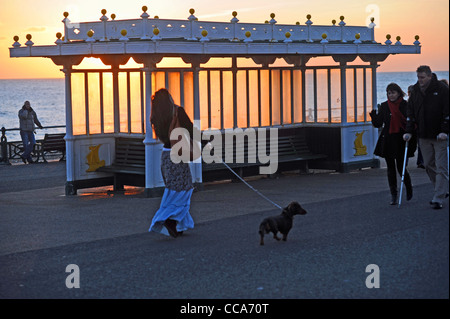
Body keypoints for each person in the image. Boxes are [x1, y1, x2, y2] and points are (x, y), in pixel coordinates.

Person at [148, 89, 196, 238]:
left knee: (173, 190)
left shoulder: (155, 117)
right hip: (177, 156)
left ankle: (179, 225)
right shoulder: (177, 111)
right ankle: (169, 219)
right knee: (185, 188)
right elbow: (191, 129)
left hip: (166, 156)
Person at [404, 66, 449, 210]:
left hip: (439, 135)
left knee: (441, 166)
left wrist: (444, 130)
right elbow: (410, 112)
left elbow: (447, 111)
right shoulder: (416, 91)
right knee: (428, 164)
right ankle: (442, 189)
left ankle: (438, 197)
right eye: (418, 77)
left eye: (422, 77)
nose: (420, 80)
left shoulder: (442, 89)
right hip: (423, 134)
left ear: (430, 76)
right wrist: (409, 131)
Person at [370, 83, 416, 205]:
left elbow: (411, 122)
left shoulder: (405, 105)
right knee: (390, 168)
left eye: (393, 93)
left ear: (399, 93)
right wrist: (374, 117)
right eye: (389, 93)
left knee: (401, 168)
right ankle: (393, 194)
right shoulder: (384, 106)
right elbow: (379, 124)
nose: (391, 95)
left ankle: (408, 186)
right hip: (388, 139)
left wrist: (409, 134)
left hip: (401, 139)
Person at [408, 85, 425, 169]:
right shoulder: (408, 103)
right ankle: (420, 161)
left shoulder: (416, 102)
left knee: (420, 145)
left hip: (417, 126)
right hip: (413, 127)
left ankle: (421, 161)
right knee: (416, 145)